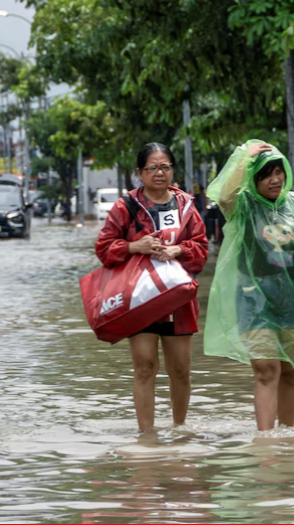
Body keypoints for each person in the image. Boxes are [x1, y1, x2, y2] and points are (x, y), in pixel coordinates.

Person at [204, 140, 294, 431]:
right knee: (267, 371)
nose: (275, 178)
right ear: (254, 178)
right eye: (266, 173)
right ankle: (266, 443)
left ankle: (287, 439)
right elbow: (223, 195)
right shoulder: (243, 206)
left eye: (279, 171)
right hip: (253, 302)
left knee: (290, 374)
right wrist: (244, 155)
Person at [94, 143, 209, 432]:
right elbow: (104, 248)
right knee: (144, 366)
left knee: (181, 370)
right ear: (140, 173)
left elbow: (201, 248)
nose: (160, 173)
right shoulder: (125, 207)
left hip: (179, 299)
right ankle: (146, 436)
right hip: (140, 299)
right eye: (153, 168)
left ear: (173, 170)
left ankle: (180, 430)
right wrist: (134, 245)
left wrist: (178, 251)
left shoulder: (187, 206)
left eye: (166, 167)